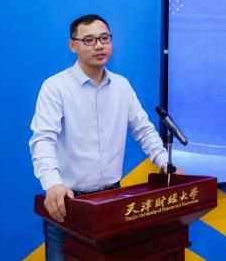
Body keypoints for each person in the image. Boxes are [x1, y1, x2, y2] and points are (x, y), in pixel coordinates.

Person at [29, 14, 177, 260]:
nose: (99, 45)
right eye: (89, 40)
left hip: (112, 199)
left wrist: (164, 162)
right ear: (72, 45)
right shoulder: (55, 87)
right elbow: (43, 140)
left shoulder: (122, 86)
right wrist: (52, 184)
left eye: (104, 38)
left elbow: (144, 129)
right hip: (68, 204)